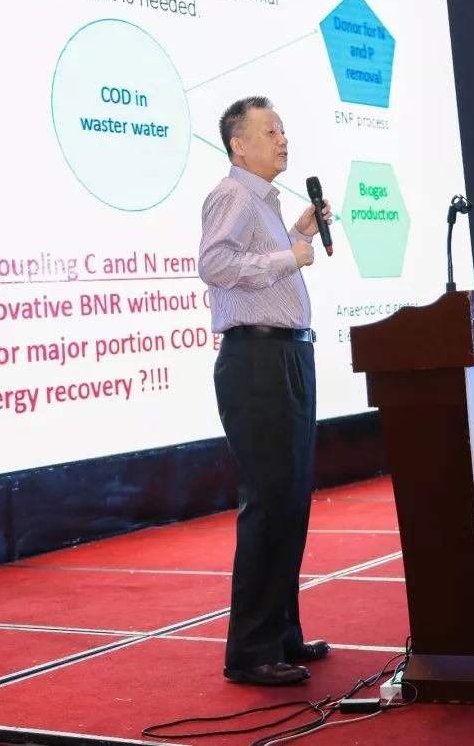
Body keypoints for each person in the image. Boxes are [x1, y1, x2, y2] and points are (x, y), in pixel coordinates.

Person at [199, 96, 332, 687]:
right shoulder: (232, 194)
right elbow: (215, 264)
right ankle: (251, 651)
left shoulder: (266, 203)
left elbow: (258, 256)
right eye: (271, 130)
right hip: (256, 361)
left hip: (287, 356)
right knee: (270, 501)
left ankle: (282, 634)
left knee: (292, 500)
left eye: (283, 129)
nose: (283, 139)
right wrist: (289, 256)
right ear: (239, 144)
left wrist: (296, 233)